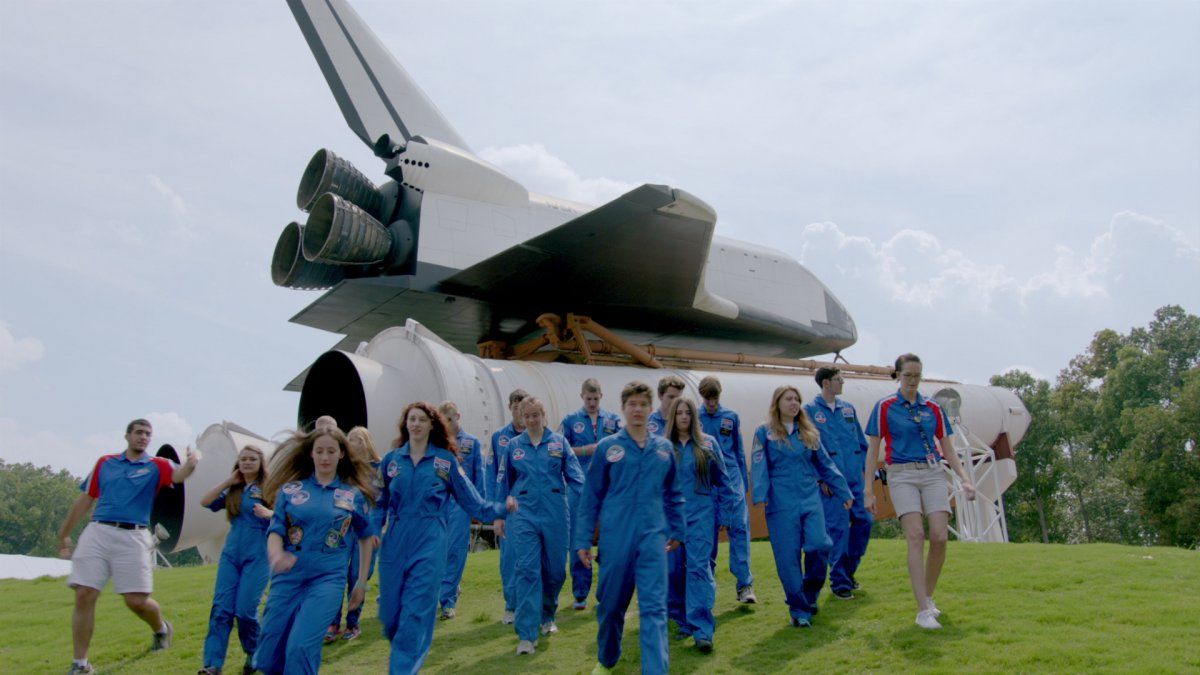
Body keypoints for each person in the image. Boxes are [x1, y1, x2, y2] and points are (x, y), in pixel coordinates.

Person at [57, 418, 200, 675]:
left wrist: (191, 464)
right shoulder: (105, 463)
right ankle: (80, 664)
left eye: (147, 434)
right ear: (127, 436)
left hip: (133, 536)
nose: (143, 437)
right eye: (139, 432)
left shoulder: (157, 465)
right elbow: (85, 499)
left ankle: (161, 629)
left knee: (136, 601)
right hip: (98, 532)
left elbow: (179, 475)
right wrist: (64, 534)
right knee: (84, 594)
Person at [375, 402, 510, 674]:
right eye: (411, 419)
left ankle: (403, 668)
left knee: (415, 613)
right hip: (396, 539)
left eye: (421, 420)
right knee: (390, 616)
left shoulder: (445, 461)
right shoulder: (391, 461)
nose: (415, 424)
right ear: (405, 424)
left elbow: (473, 502)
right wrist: (372, 530)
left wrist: (500, 508)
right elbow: (380, 503)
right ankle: (406, 646)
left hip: (430, 538)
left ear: (431, 425)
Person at [575, 381, 685, 675]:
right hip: (616, 541)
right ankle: (607, 658)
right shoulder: (608, 448)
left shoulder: (663, 449)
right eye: (632, 404)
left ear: (651, 409)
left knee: (654, 611)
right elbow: (590, 498)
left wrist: (678, 530)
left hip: (652, 541)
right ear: (623, 409)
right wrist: (583, 540)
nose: (638, 409)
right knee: (611, 608)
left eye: (643, 404)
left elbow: (674, 494)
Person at [863, 353, 977, 630]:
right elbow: (873, 450)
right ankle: (923, 610)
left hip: (933, 472)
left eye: (917, 375)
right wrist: (868, 490)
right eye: (908, 375)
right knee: (916, 535)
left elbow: (947, 447)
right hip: (901, 475)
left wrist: (964, 478)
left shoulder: (933, 407)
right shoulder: (885, 406)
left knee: (939, 537)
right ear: (898, 376)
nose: (913, 381)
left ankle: (928, 596)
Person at [254, 427, 377, 674]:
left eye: (331, 451)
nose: (325, 457)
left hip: (327, 580)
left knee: (300, 648)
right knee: (268, 656)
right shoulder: (290, 491)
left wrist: (361, 583)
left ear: (341, 454)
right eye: (319, 451)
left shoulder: (352, 496)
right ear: (310, 454)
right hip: (287, 579)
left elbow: (366, 539)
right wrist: (276, 556)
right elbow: (275, 531)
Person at [750, 386, 852, 628]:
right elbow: (759, 464)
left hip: (809, 497)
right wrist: (760, 494)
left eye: (797, 399)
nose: (794, 403)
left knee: (821, 544)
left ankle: (808, 594)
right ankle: (799, 610)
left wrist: (843, 491)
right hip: (780, 502)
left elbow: (826, 465)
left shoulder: (809, 433)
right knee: (788, 558)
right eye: (789, 399)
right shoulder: (764, 432)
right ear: (778, 403)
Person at [494, 397, 585, 654]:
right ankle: (526, 634)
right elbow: (503, 482)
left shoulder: (559, 442)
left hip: (555, 512)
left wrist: (590, 505)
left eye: (536, 415)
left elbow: (576, 477)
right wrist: (499, 514)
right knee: (527, 570)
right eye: (528, 416)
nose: (532, 420)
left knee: (555, 571)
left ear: (544, 415)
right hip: (523, 514)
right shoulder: (513, 446)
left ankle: (547, 614)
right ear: (521, 418)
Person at [664, 397, 738, 653]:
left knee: (698, 569)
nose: (683, 417)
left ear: (694, 417)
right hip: (671, 519)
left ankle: (702, 630)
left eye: (688, 413)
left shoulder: (708, 444)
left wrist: (725, 517)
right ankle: (681, 618)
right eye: (679, 413)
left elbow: (725, 483)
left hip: (701, 517)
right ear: (672, 418)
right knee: (673, 572)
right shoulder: (663, 448)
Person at [198, 445, 273, 675]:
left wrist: (270, 514)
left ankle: (254, 652)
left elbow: (288, 516)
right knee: (221, 609)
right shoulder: (234, 489)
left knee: (245, 611)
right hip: (231, 555)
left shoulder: (270, 488)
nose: (247, 463)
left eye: (252, 459)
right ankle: (212, 664)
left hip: (258, 555)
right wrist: (227, 482)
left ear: (261, 463)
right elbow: (205, 501)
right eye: (243, 459)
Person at [805, 367, 873, 601]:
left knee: (864, 522)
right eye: (838, 379)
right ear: (826, 383)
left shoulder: (848, 409)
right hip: (832, 484)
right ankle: (840, 582)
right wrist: (820, 477)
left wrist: (866, 474)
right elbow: (808, 449)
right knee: (839, 530)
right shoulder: (810, 411)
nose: (842, 382)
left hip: (855, 478)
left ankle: (848, 570)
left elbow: (861, 444)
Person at [558, 378, 621, 610]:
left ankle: (607, 591)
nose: (592, 403)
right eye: (588, 399)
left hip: (608, 487)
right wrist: (586, 450)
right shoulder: (570, 420)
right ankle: (580, 593)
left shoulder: (613, 421)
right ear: (582, 397)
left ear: (601, 396)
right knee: (579, 538)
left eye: (595, 398)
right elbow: (559, 451)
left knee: (609, 538)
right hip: (579, 487)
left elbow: (624, 448)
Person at [696, 376, 756, 604]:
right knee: (707, 535)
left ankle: (745, 585)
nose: (711, 403)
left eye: (715, 398)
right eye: (707, 399)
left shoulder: (731, 417)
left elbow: (739, 452)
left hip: (731, 481)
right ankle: (705, 588)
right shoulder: (695, 418)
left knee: (739, 531)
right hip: (706, 482)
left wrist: (743, 482)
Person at [325, 426, 383, 642]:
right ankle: (332, 623)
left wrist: (377, 530)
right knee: (337, 575)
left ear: (368, 443)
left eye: (359, 440)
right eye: (351, 440)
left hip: (367, 531)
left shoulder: (379, 469)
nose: (356, 443)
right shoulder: (343, 472)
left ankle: (352, 622)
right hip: (343, 530)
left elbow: (383, 503)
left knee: (358, 576)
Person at [437, 401, 488, 619]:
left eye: (449, 419)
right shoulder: (437, 445)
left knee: (456, 550)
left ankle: (447, 601)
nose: (447, 424)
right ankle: (449, 588)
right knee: (438, 551)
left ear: (457, 416)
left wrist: (479, 506)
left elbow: (479, 475)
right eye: (442, 421)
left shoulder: (472, 442)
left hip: (461, 504)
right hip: (440, 504)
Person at [489, 389, 529, 624]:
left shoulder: (539, 435)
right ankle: (511, 605)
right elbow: (494, 474)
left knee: (532, 557)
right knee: (509, 558)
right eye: (514, 406)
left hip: (532, 504)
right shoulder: (499, 437)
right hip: (509, 504)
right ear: (510, 408)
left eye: (522, 406)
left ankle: (534, 606)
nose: (518, 411)